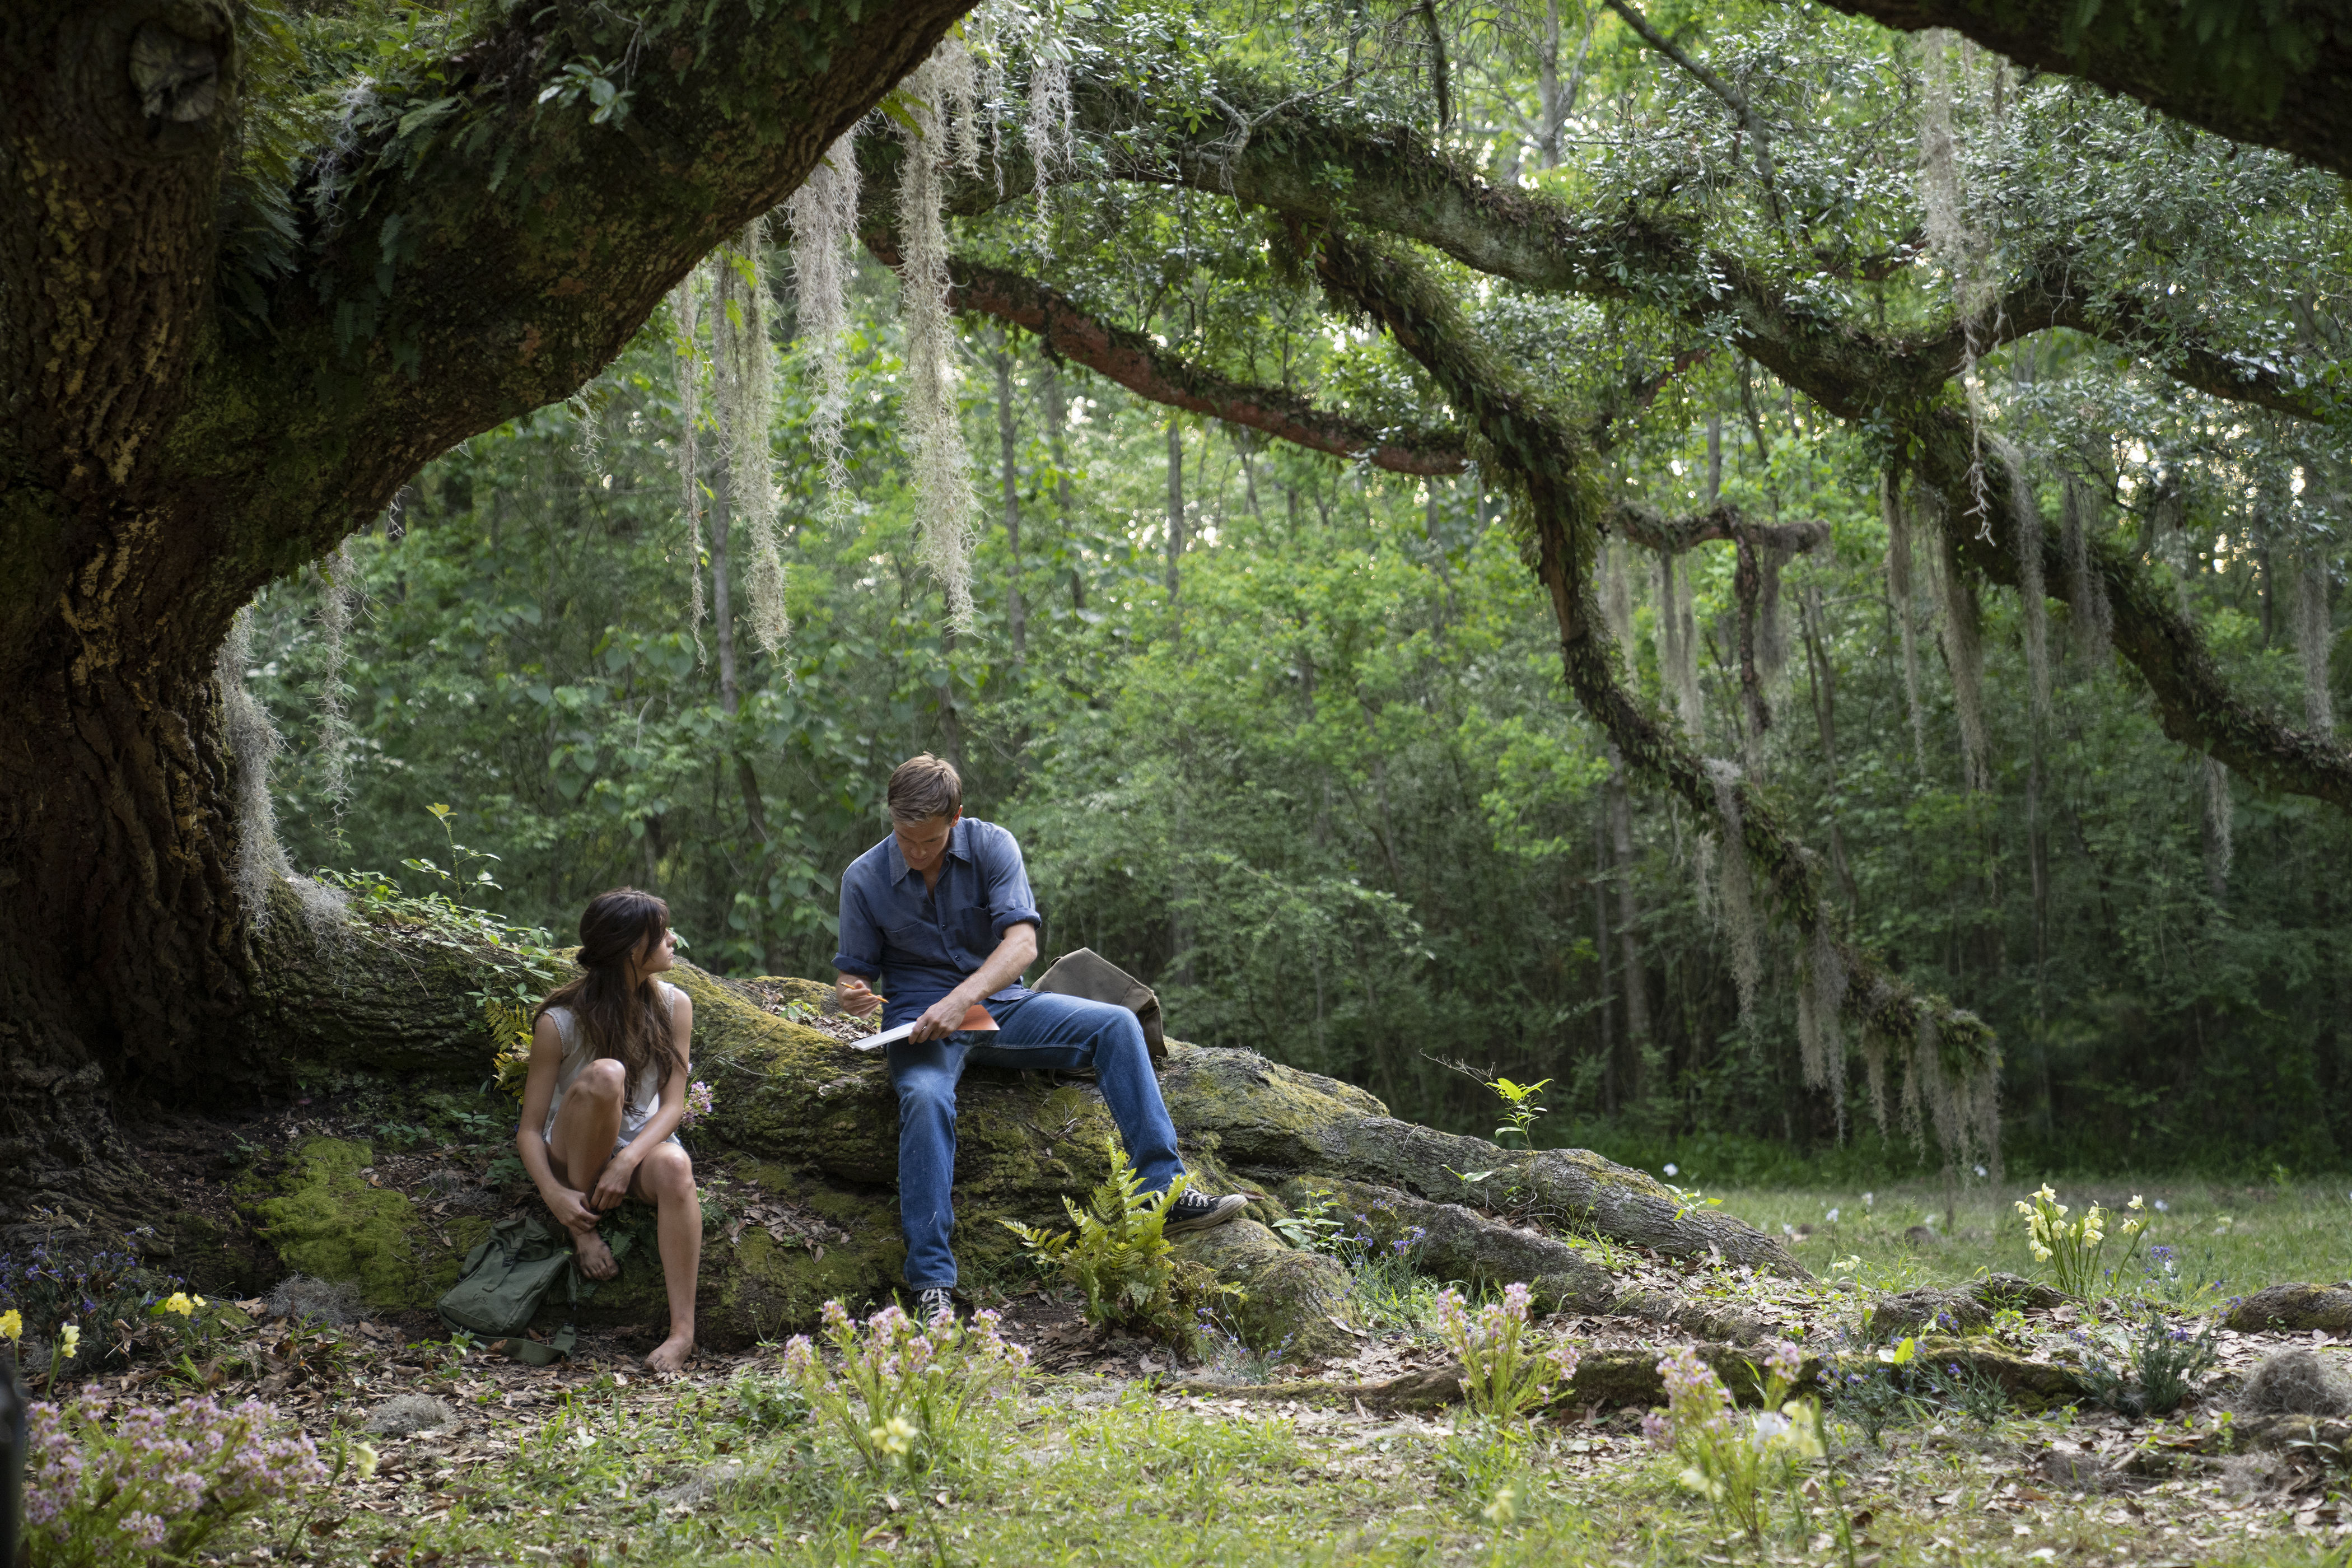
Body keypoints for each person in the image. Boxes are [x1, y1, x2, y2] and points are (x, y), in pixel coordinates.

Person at [834, 754, 1248, 1319]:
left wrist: (965, 997)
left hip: (1003, 1008)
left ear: (956, 817)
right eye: (904, 838)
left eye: (928, 840)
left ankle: (1165, 1193)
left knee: (1118, 1024)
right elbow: (851, 973)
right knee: (926, 1097)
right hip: (921, 1025)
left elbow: (1022, 945)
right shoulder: (862, 876)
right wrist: (851, 992)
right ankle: (931, 1283)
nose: (915, 851)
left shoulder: (993, 845)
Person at [515, 888, 701, 1375]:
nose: (673, 940)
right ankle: (582, 1232)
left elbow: (674, 1105)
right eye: (662, 935)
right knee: (607, 1075)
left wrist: (628, 1160)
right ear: (629, 950)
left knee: (678, 1168)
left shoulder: (675, 1005)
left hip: (639, 1141)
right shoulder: (560, 1021)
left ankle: (683, 1333)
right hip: (572, 1147)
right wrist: (554, 1194)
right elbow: (530, 1131)